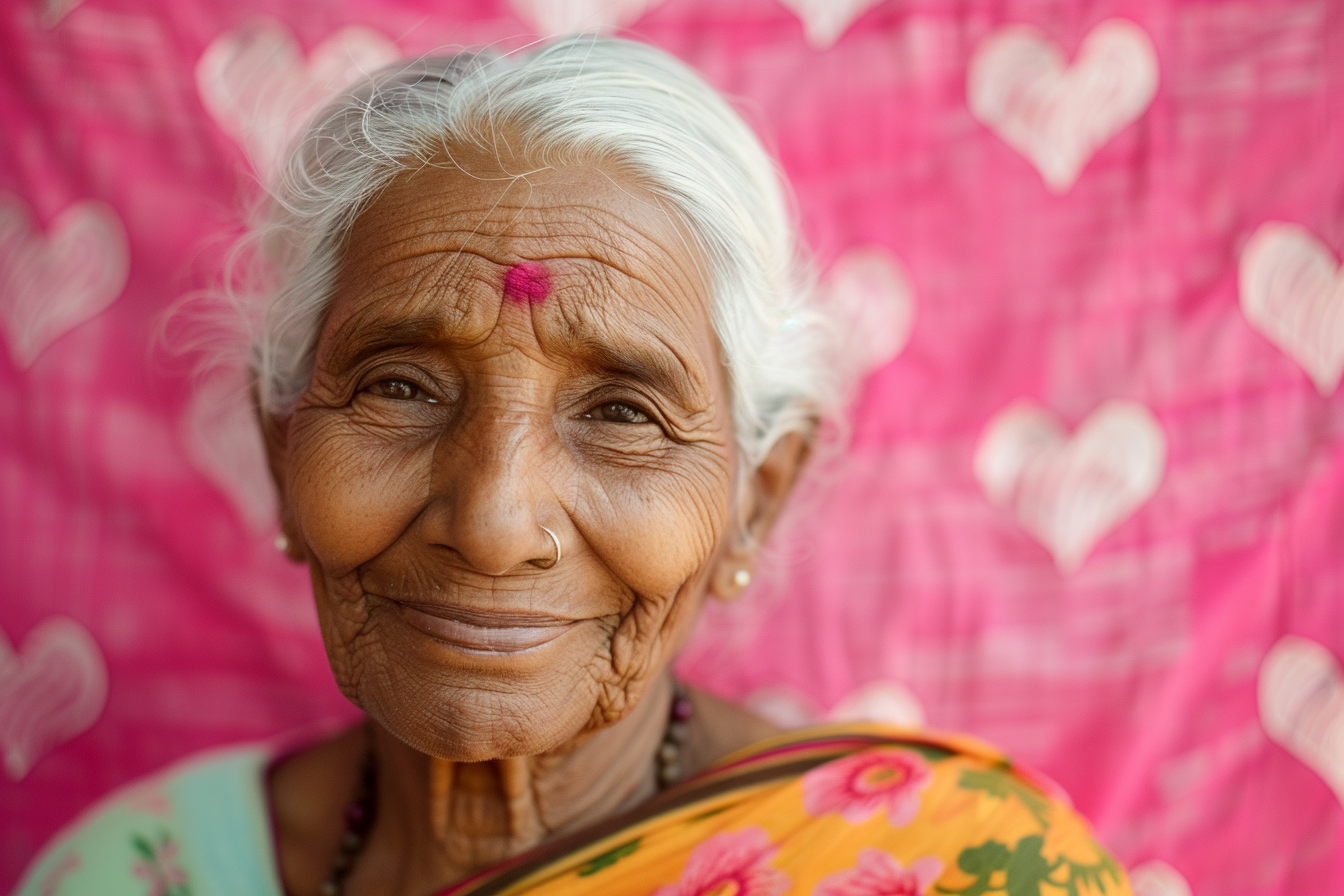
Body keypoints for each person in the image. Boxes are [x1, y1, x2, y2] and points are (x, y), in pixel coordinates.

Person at [15, 37, 1131, 896]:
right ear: (280, 444)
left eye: (621, 411)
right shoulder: (136, 870)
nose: (495, 519)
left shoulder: (961, 864)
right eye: (401, 386)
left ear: (756, 496)